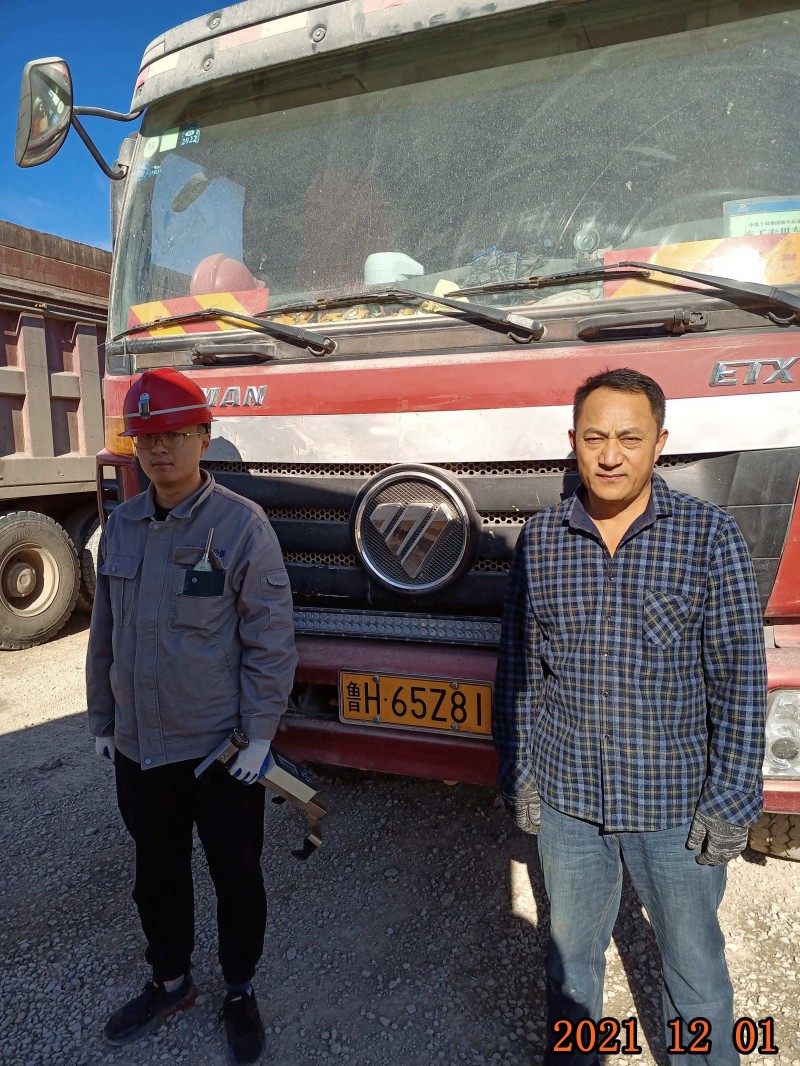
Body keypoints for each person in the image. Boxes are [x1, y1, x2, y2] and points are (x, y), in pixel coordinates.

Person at [493, 368, 766, 1065]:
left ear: (659, 443)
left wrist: (732, 801)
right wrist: (520, 776)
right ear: (574, 442)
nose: (610, 455)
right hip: (569, 804)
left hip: (673, 804)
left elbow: (739, 679)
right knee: (569, 966)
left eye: (629, 438)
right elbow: (519, 671)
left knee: (695, 972)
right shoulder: (542, 540)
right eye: (594, 438)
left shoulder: (708, 537)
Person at [86, 367, 298, 1065]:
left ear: (204, 437)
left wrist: (260, 735)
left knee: (237, 878)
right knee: (156, 877)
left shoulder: (240, 526)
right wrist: (101, 722)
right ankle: (171, 981)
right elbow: (104, 634)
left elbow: (270, 639)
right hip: (140, 749)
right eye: (147, 436)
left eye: (175, 434)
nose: (160, 448)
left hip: (219, 752)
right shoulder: (121, 527)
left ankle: (239, 988)